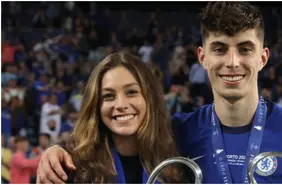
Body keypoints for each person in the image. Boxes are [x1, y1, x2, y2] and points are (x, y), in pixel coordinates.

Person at [36, 2, 282, 184]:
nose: (232, 62)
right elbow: (114, 140)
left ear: (263, 57)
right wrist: (58, 152)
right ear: (202, 57)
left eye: (245, 49)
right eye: (219, 49)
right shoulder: (176, 133)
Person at [37, 51, 187, 183]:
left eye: (131, 92)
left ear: (150, 98)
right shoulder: (72, 167)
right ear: (96, 105)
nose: (121, 104)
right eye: (108, 96)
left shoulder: (180, 152)